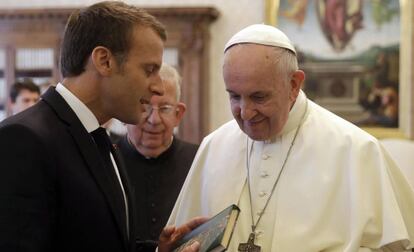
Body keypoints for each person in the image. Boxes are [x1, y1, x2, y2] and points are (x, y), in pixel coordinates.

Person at [167, 24, 414, 251]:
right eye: (234, 96)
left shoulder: (356, 150)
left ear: (294, 84)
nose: (245, 112)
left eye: (259, 97)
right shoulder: (214, 146)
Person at [0, 2, 202, 252]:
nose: (159, 87)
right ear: (104, 61)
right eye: (149, 70)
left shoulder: (99, 138)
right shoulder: (24, 139)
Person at [118, 63, 199, 252]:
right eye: (145, 107)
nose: (154, 120)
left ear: (178, 114)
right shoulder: (105, 161)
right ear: (126, 110)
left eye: (164, 109)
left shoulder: (199, 161)